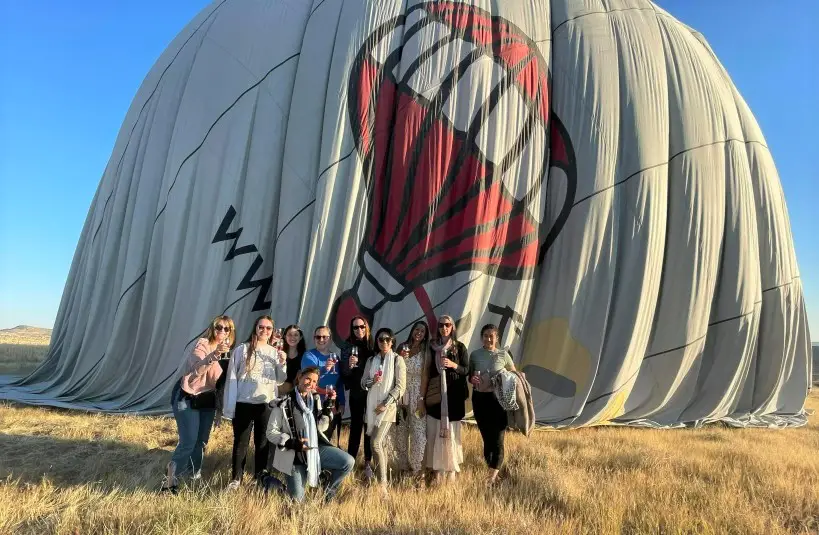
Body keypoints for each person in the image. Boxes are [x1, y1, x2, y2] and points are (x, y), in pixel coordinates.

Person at [162, 315, 234, 493]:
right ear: (213, 328)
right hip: (187, 397)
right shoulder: (203, 344)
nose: (222, 331)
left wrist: (219, 411)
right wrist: (215, 353)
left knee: (201, 441)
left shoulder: (231, 353)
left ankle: (193, 474)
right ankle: (170, 481)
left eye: (227, 329)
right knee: (188, 441)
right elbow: (196, 371)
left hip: (207, 401)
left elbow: (222, 386)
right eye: (219, 327)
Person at [267, 366, 355, 502]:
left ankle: (328, 491)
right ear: (299, 377)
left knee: (348, 462)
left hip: (314, 449)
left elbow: (322, 427)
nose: (311, 384)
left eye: (314, 381)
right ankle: (272, 483)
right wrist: (290, 442)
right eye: (308, 378)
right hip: (295, 457)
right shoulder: (283, 402)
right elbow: (270, 432)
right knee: (297, 502)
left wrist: (327, 408)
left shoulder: (314, 400)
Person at [222, 315, 287, 490]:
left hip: (265, 404)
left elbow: (280, 380)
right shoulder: (242, 350)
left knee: (263, 443)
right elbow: (232, 378)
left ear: (273, 332)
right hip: (243, 402)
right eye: (261, 327)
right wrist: (230, 405)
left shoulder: (274, 352)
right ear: (255, 328)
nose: (264, 331)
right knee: (240, 442)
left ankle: (261, 477)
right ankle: (236, 479)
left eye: (268, 328)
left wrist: (282, 362)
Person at [420, 314, 469, 484]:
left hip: (453, 399)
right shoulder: (432, 347)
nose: (444, 327)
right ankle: (437, 471)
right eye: (441, 325)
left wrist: (453, 365)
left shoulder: (460, 347)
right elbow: (426, 372)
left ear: (452, 327)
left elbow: (466, 370)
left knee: (452, 436)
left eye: (447, 324)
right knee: (434, 435)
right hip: (435, 399)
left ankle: (451, 471)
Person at [469, 324, 516, 485]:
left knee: (498, 439)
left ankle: (490, 478)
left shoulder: (503, 355)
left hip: (498, 401)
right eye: (486, 335)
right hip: (480, 399)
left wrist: (503, 376)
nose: (489, 338)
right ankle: (492, 472)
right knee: (487, 439)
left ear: (497, 338)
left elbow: (514, 374)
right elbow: (470, 375)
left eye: (492, 336)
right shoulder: (475, 355)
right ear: (481, 337)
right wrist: (472, 379)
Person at [360, 327, 406, 494]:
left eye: (387, 339)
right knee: (376, 446)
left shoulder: (397, 360)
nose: (384, 342)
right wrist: (373, 381)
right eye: (381, 339)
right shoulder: (371, 360)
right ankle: (383, 481)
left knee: (376, 443)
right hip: (372, 407)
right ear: (377, 342)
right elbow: (363, 383)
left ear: (392, 341)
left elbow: (401, 387)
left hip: (387, 408)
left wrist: (385, 403)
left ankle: (383, 486)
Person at [339, 315, 375, 475]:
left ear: (366, 327)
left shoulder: (373, 344)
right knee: (355, 427)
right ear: (352, 330)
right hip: (356, 392)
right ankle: (351, 462)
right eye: (355, 327)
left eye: (362, 326)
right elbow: (345, 374)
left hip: (373, 392)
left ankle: (368, 462)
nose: (359, 330)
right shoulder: (348, 346)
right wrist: (349, 365)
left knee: (370, 428)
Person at [394, 321, 429, 477]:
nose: (419, 333)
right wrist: (400, 358)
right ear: (412, 330)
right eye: (417, 329)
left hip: (416, 393)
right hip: (401, 392)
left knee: (418, 432)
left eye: (422, 331)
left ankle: (417, 469)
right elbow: (393, 368)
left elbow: (425, 375)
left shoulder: (425, 350)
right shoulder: (402, 346)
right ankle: (403, 467)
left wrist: (421, 399)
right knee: (401, 430)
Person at [302, 326, 345, 441]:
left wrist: (342, 402)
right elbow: (309, 377)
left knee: (326, 437)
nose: (321, 339)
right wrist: (325, 369)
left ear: (330, 339)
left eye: (324, 337)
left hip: (331, 403)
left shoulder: (335, 357)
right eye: (318, 337)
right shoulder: (309, 355)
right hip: (312, 402)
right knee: (311, 437)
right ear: (314, 339)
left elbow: (339, 382)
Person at [280, 325, 307, 395]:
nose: (292, 337)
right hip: (275, 392)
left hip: (293, 395)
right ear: (285, 337)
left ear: (300, 337)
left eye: (296, 335)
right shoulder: (279, 352)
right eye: (289, 335)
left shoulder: (305, 356)